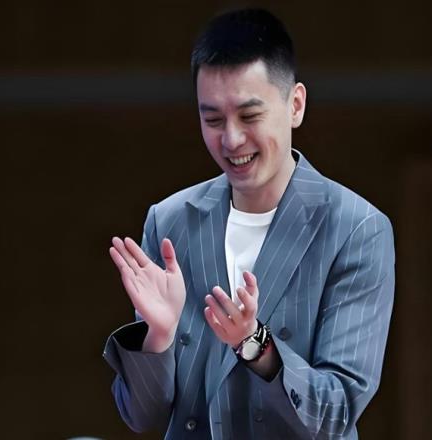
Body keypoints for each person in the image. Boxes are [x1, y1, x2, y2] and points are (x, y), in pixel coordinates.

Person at [103, 8, 395, 440]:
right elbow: (141, 417)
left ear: (295, 105)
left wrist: (255, 344)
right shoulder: (170, 222)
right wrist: (158, 338)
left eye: (250, 116)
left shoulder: (355, 228)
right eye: (213, 120)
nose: (232, 139)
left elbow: (337, 411)